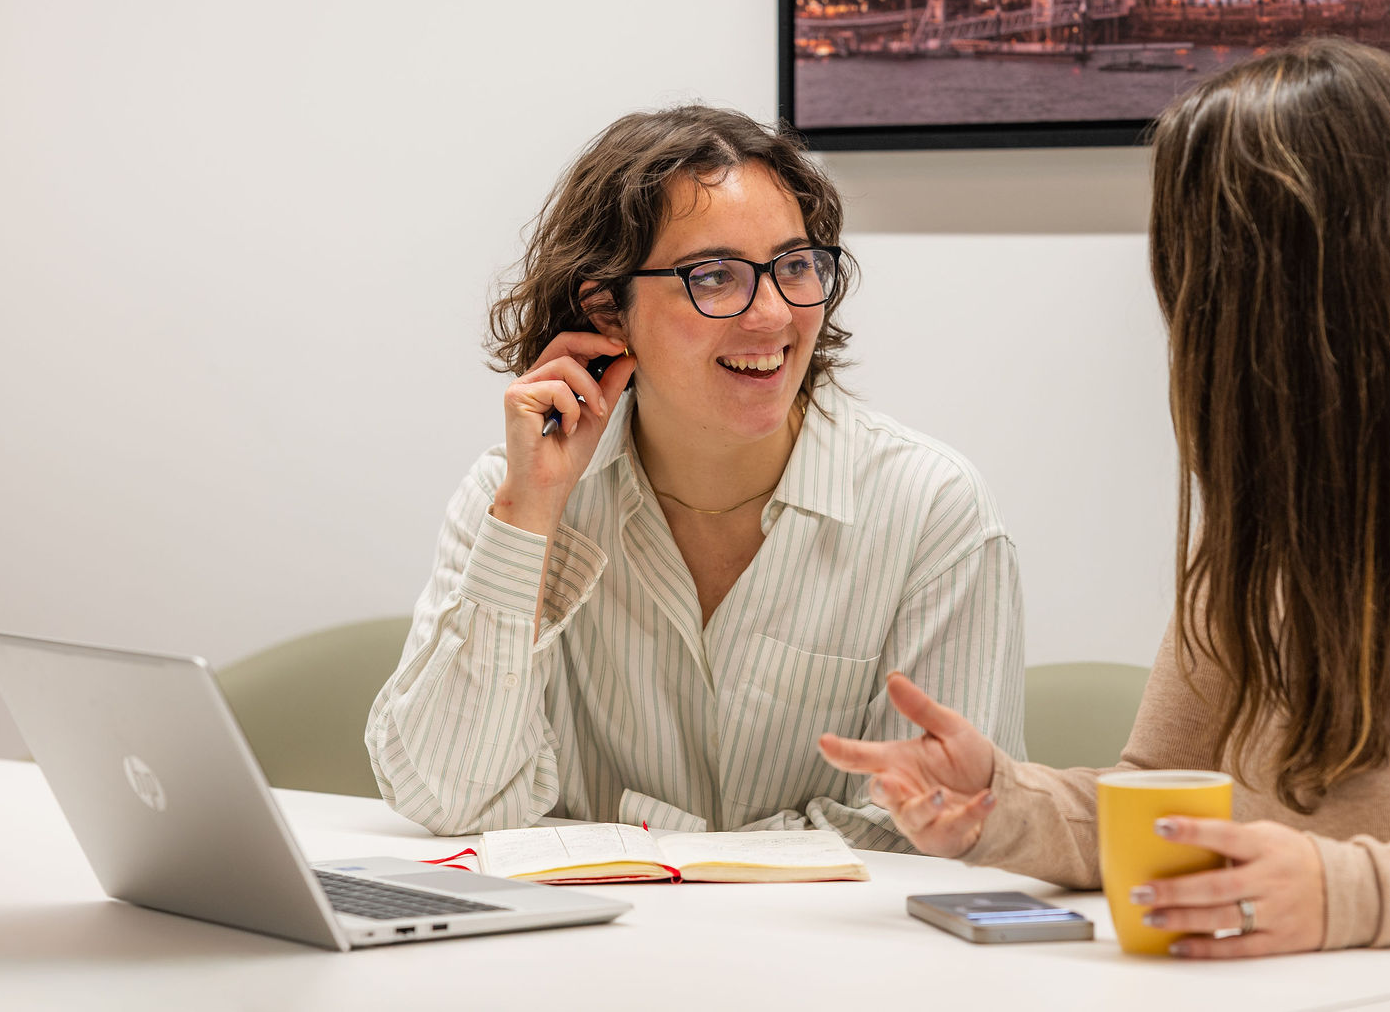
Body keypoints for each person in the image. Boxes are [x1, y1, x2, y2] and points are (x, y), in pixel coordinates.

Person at [820, 38, 1390, 952]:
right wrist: (999, 804)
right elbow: (1164, 802)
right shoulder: (1272, 505)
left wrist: (1346, 890)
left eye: (1196, 266)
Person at [368, 105, 1024, 848]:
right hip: (578, 955)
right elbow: (444, 794)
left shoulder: (931, 511)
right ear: (608, 310)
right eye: (714, 277)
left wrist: (651, 842)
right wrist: (529, 519)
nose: (772, 314)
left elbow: (938, 831)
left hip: (836, 963)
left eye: (795, 266)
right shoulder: (516, 493)